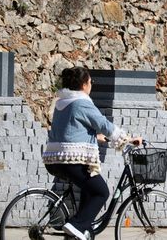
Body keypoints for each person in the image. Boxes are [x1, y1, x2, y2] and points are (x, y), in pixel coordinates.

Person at [42, 66, 142, 240]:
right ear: (83, 84)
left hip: (54, 159)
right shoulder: (82, 102)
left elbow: (70, 130)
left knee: (88, 192)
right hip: (71, 160)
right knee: (101, 192)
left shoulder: (62, 103)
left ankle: (78, 231)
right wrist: (128, 139)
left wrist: (95, 137)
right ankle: (75, 226)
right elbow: (104, 124)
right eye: (90, 82)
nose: (91, 85)